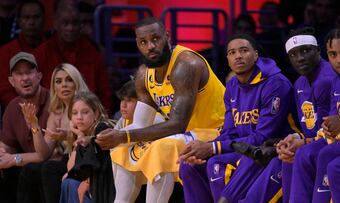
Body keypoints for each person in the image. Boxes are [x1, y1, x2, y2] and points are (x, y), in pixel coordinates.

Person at [95, 17, 225, 202]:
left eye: (155, 39)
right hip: (187, 133)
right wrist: (116, 136)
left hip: (218, 130)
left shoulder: (186, 64)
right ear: (138, 45)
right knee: (122, 148)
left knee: (160, 148)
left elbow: (177, 125)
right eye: (143, 42)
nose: (150, 46)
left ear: (167, 37)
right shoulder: (143, 75)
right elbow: (140, 124)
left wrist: (124, 135)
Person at [179, 33, 296, 203]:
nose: (238, 56)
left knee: (217, 164)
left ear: (256, 54)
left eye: (244, 50)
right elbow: (229, 131)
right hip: (242, 149)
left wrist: (214, 148)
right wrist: (206, 147)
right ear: (227, 58)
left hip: (270, 149)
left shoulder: (275, 84)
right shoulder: (232, 85)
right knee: (189, 165)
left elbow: (263, 137)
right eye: (232, 52)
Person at [229, 27, 335, 203]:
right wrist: (292, 139)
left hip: (332, 143)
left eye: (306, 51)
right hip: (313, 143)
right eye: (293, 54)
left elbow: (328, 130)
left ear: (318, 50)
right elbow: (309, 128)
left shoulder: (326, 80)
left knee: (298, 155)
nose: (300, 58)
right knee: (287, 153)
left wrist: (302, 142)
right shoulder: (300, 82)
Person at [290, 28, 340, 203]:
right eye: (333, 54)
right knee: (298, 154)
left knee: (328, 156)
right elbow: (331, 120)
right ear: (328, 57)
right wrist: (325, 131)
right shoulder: (336, 79)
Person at [20, 63, 90, 202]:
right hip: (66, 160)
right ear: (54, 87)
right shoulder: (56, 114)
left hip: (84, 160)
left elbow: (88, 140)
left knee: (50, 168)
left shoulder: (87, 106)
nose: (64, 85)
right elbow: (43, 153)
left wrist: (67, 136)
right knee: (30, 170)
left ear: (77, 82)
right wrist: (35, 125)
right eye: (58, 81)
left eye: (69, 79)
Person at [33, 0, 111, 111]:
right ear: (55, 24)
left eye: (74, 23)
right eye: (65, 23)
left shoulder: (93, 53)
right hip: (51, 114)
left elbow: (104, 93)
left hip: (87, 116)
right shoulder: (41, 53)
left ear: (81, 25)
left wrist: (102, 118)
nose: (70, 28)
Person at [0, 52, 49, 203]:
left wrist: (15, 159)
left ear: (39, 76)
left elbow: (44, 156)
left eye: (29, 72)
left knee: (30, 171)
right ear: (11, 81)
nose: (25, 78)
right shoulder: (13, 107)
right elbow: (7, 146)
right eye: (19, 74)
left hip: (51, 167)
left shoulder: (54, 103)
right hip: (27, 168)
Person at [60, 91, 115, 203]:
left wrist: (87, 182)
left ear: (96, 114)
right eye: (74, 113)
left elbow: (101, 165)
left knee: (69, 184)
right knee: (68, 183)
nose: (79, 117)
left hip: (108, 188)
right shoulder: (82, 135)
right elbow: (71, 169)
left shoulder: (102, 128)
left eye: (85, 112)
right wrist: (79, 134)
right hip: (96, 186)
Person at [0, 0, 47, 110]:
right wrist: (24, 109)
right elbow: (4, 90)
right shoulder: (5, 52)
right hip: (17, 111)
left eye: (36, 17)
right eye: (26, 18)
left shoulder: (53, 49)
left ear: (44, 19)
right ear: (19, 21)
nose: (31, 22)